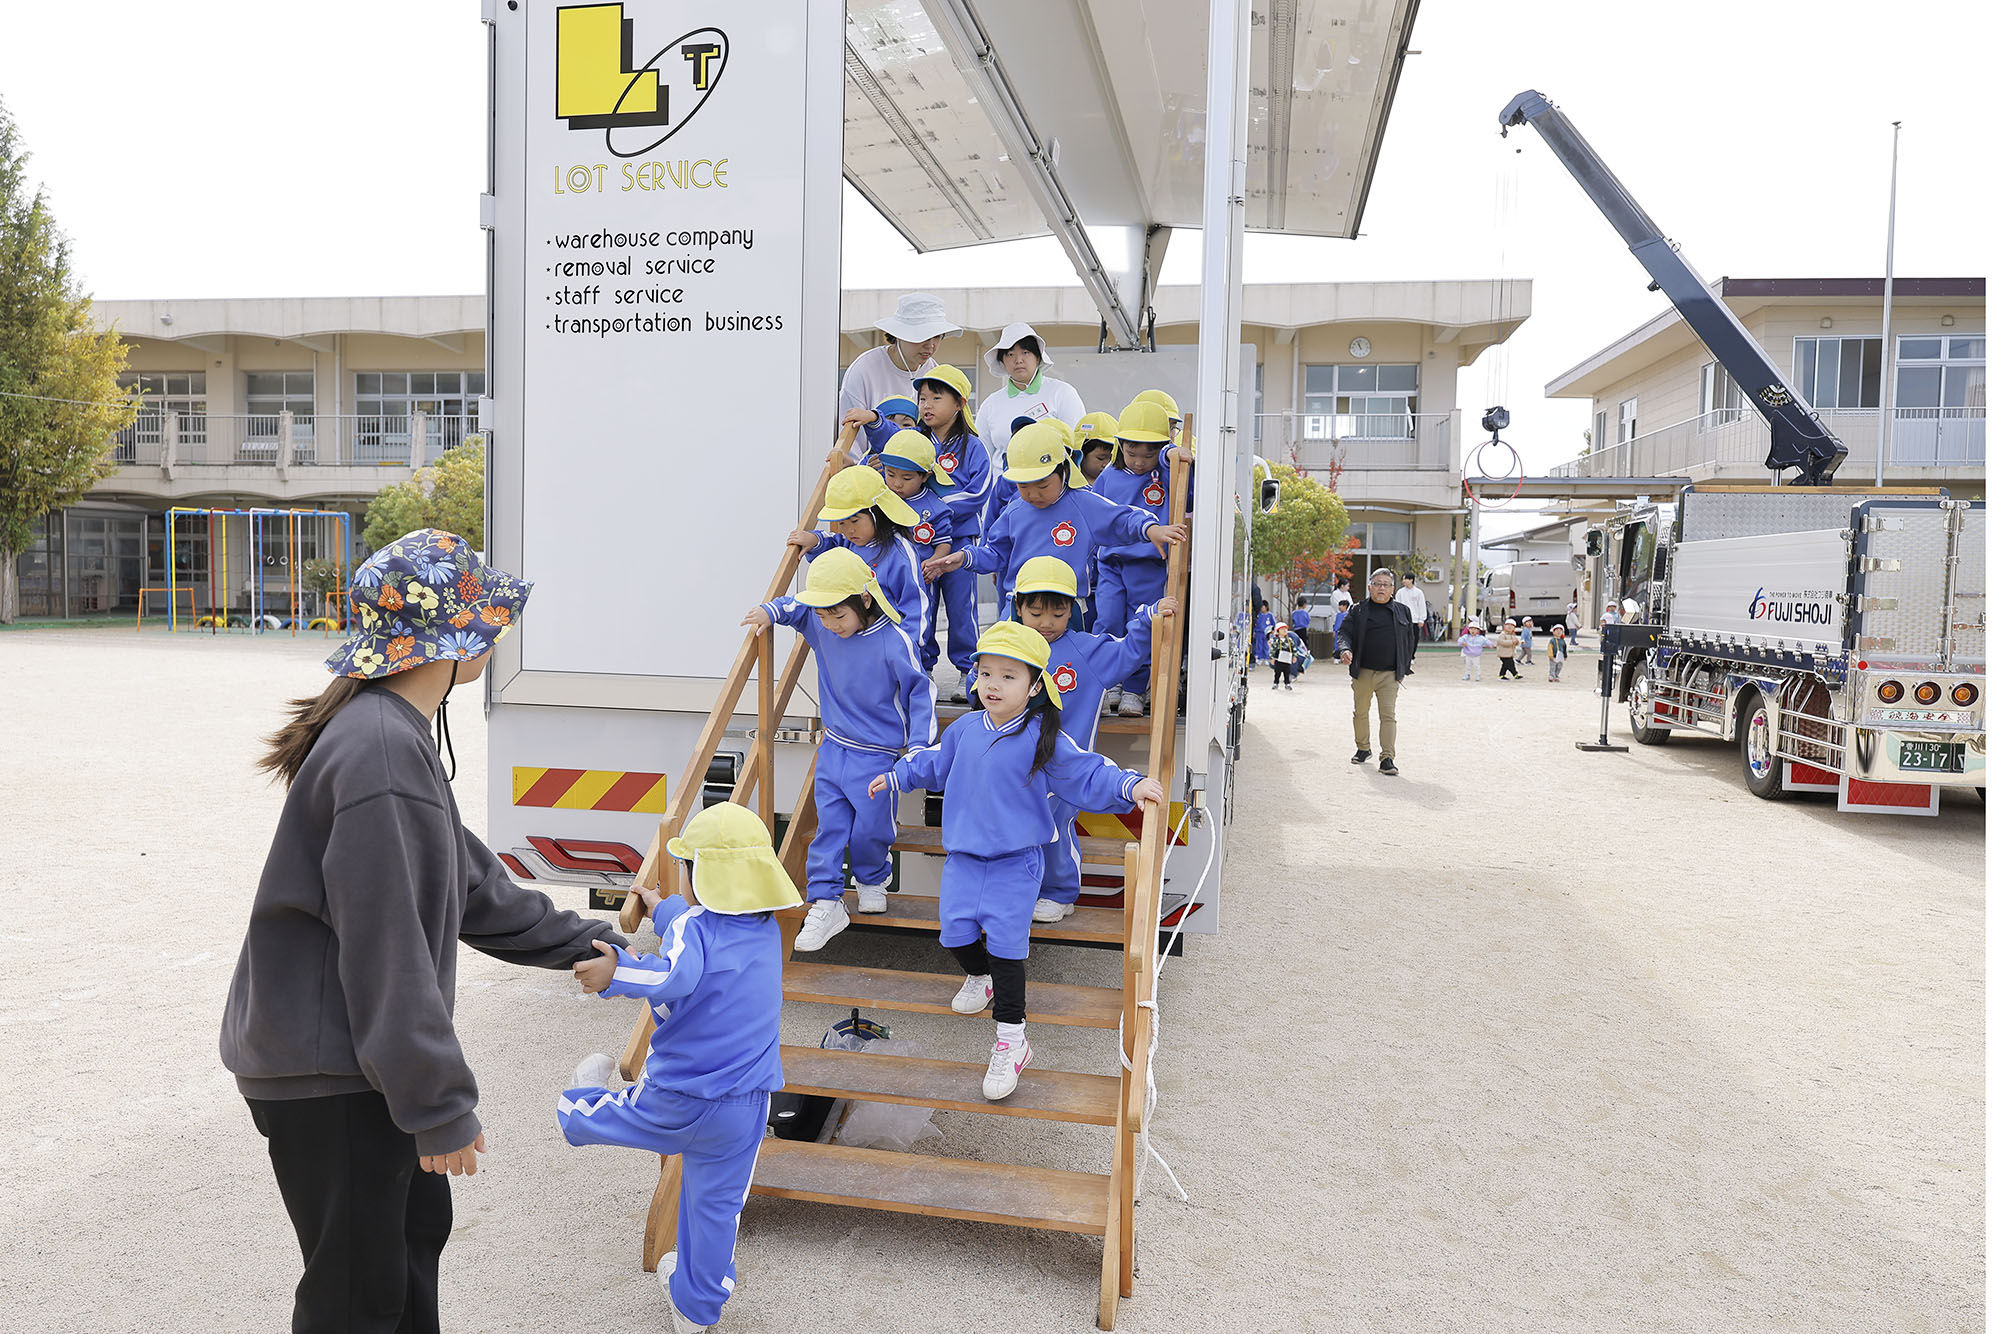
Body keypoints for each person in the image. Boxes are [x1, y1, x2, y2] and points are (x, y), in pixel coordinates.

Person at [220, 529, 624, 1333]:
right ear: (454, 638)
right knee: (357, 1299)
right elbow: (388, 949)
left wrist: (592, 945)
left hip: (348, 1060)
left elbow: (472, 888)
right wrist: (437, 1102)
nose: (498, 635)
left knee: (407, 1252)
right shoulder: (378, 752)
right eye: (488, 620)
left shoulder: (389, 731)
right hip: (333, 1072)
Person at [869, 622, 1162, 1099]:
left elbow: (1086, 771)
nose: (993, 685)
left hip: (1016, 863)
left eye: (1008, 676)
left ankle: (1012, 1041)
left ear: (1033, 686)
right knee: (954, 932)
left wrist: (1130, 785)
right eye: (985, 673)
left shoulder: (1041, 736)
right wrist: (898, 775)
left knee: (1008, 949)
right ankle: (978, 977)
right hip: (964, 857)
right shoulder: (964, 729)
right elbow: (933, 761)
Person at [560, 801, 797, 1334]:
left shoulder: (694, 929)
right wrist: (660, 906)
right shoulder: (763, 932)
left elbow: (672, 975)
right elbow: (694, 924)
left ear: (702, 874)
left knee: (612, 1114)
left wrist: (615, 972)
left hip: (678, 1094)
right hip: (744, 1105)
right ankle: (696, 1309)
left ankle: (577, 1109)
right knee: (716, 1211)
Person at [744, 548, 935, 952]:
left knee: (871, 830)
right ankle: (826, 900)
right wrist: (769, 610)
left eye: (839, 615)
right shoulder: (821, 624)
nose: (831, 625)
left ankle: (871, 876)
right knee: (829, 830)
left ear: (865, 599)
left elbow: (921, 693)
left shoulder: (893, 641)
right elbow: (796, 607)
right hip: (833, 750)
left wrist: (919, 747)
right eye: (824, 616)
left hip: (876, 756)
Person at [1009, 556, 1172, 921]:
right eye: (1035, 613)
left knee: (1054, 827)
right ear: (1017, 606)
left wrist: (1146, 618)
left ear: (1073, 609)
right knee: (1013, 828)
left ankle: (1060, 892)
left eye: (1058, 613)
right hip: (1012, 762)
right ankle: (1018, 889)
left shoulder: (1088, 650)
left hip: (1066, 767)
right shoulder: (1007, 647)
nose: (1046, 623)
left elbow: (1131, 652)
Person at [923, 421, 1186, 620]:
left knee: (1063, 675)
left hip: (1066, 608)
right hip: (1020, 605)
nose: (1033, 494)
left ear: (1063, 469)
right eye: (1023, 486)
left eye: (1042, 484)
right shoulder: (1015, 510)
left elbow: (1122, 518)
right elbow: (995, 553)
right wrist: (965, 558)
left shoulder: (1083, 503)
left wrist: (1151, 529)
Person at [1092, 400, 1182, 717]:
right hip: (1112, 563)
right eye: (1132, 453)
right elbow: (1095, 515)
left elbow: (1190, 492)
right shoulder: (1109, 476)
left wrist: (1169, 460)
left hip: (1150, 562)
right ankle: (1105, 683)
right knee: (1107, 621)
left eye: (1149, 453)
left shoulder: (1167, 475)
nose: (1140, 461)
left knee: (1143, 624)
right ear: (1120, 446)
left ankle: (1134, 688)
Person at [912, 365, 992, 698]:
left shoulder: (972, 446)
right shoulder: (914, 443)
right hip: (919, 542)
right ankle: (923, 668)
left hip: (959, 542)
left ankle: (967, 670)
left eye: (935, 397)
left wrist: (934, 510)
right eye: (921, 398)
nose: (926, 404)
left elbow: (980, 491)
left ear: (959, 403)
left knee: (962, 607)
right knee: (922, 605)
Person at [787, 464, 927, 637]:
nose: (848, 530)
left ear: (878, 512)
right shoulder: (850, 542)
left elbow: (915, 605)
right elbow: (835, 545)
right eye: (842, 523)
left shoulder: (900, 553)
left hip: (889, 643)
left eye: (855, 521)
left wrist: (909, 646)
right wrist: (816, 540)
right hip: (855, 637)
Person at [837, 292, 957, 452]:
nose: (931, 345)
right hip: (869, 470)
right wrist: (862, 468)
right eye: (923, 336)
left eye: (937, 336)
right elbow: (850, 437)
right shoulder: (863, 370)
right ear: (899, 334)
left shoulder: (935, 373)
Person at [1334, 568, 1414, 775]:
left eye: (1386, 584)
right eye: (1377, 584)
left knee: (1388, 716)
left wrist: (1404, 665)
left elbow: (1411, 641)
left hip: (1389, 674)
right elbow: (1344, 632)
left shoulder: (1403, 611)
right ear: (1370, 587)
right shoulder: (1358, 610)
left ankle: (1387, 758)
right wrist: (1345, 649)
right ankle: (1363, 748)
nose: (1381, 588)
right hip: (1363, 672)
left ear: (1392, 589)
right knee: (1360, 712)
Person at [973, 321, 1086, 458]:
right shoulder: (991, 404)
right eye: (1010, 354)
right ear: (1002, 361)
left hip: (1049, 477)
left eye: (1025, 352)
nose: (1018, 360)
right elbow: (982, 455)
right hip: (1001, 478)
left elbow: (1075, 444)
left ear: (1037, 357)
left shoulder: (1062, 393)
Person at [868, 428, 957, 575]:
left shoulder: (936, 508)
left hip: (918, 577)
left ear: (925, 476)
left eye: (906, 478)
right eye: (890, 474)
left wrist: (933, 562)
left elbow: (943, 543)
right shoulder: (876, 497)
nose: (897, 484)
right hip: (881, 575)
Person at [1393, 573, 1429, 662]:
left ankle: (1411, 656)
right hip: (1403, 620)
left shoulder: (1418, 592)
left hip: (1415, 620)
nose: (1403, 581)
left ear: (1411, 580)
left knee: (1414, 639)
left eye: (1405, 579)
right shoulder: (1400, 592)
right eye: (1403, 579)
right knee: (1403, 638)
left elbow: (1421, 606)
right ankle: (1403, 656)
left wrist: (1422, 619)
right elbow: (1397, 605)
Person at [1270, 622, 1298, 690]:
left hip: (1287, 658)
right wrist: (1272, 658)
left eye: (1285, 629)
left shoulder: (1290, 640)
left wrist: (1294, 656)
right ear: (1278, 631)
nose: (1285, 630)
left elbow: (1294, 648)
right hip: (1278, 659)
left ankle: (1287, 683)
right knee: (1277, 672)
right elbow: (1273, 649)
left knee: (1287, 672)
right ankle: (1276, 683)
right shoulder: (1276, 640)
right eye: (1282, 629)